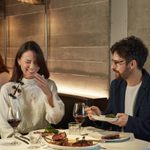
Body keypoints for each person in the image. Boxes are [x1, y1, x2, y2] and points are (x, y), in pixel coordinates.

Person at [85, 36, 150, 142]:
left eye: (117, 63)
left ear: (132, 64)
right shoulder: (116, 85)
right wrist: (100, 115)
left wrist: (129, 121)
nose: (112, 67)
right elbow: (111, 118)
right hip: (117, 145)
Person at [0, 41, 64, 138]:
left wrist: (49, 95)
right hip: (18, 140)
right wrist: (20, 141)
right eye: (28, 62)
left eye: (36, 62)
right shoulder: (7, 89)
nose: (32, 67)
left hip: (44, 138)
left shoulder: (49, 85)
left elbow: (55, 120)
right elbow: (4, 126)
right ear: (18, 61)